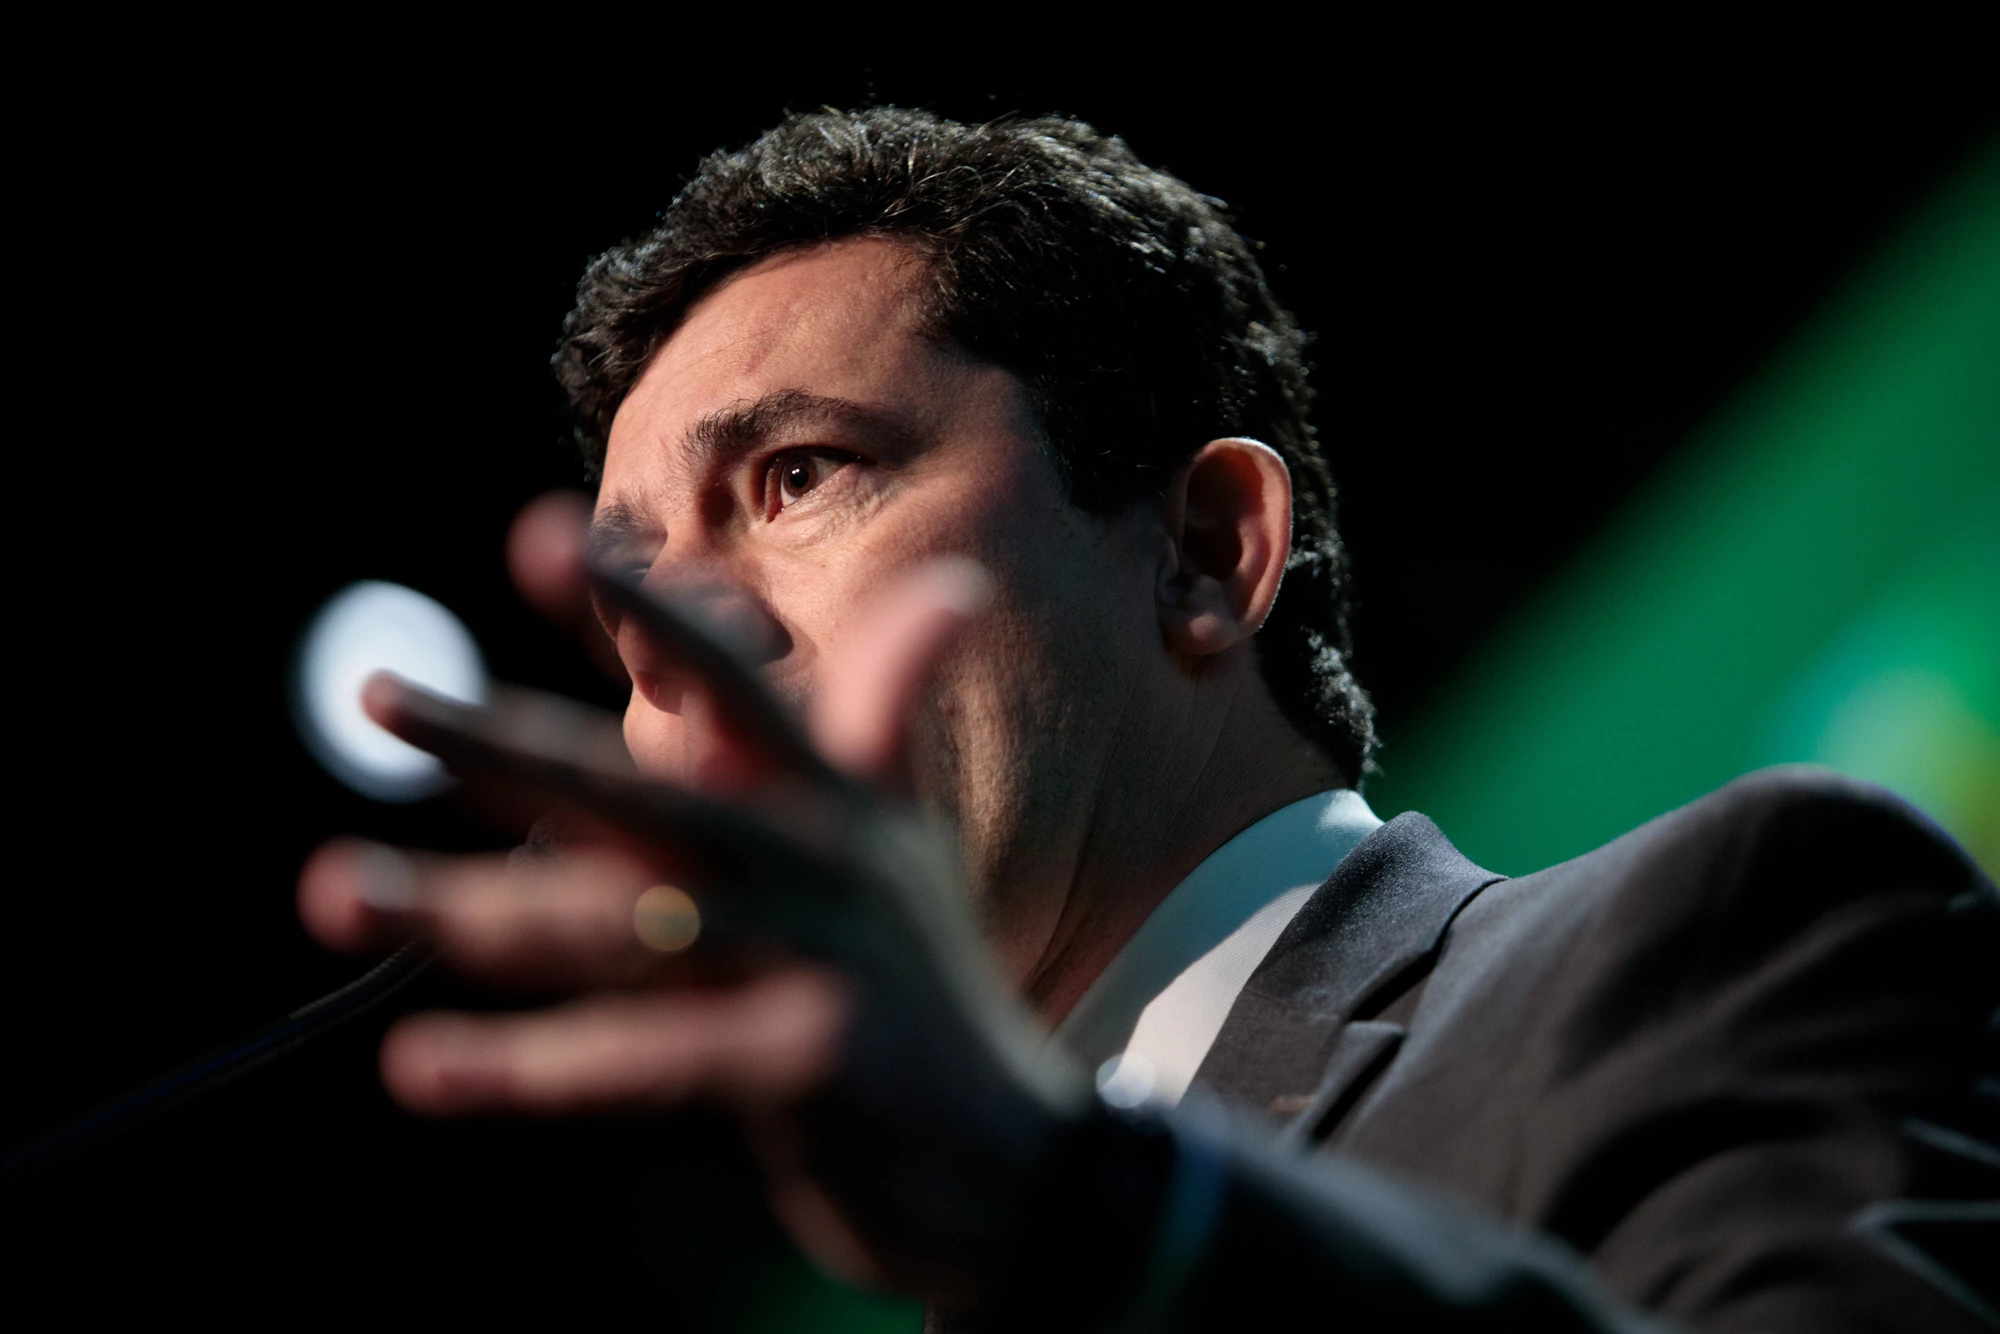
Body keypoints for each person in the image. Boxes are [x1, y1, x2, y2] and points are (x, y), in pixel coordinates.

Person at [296, 109, 1998, 1330]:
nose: (686, 639)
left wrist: (1098, 1220)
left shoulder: (1737, 933)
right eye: (626, 598)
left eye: (799, 474)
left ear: (1202, 550)